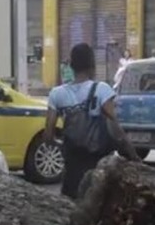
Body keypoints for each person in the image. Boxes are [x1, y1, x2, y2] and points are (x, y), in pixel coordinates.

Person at [44, 43, 139, 199]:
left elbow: (48, 137)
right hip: (99, 165)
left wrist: (67, 146)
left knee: (71, 207)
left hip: (72, 169)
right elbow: (116, 131)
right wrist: (133, 156)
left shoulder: (57, 94)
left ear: (72, 65)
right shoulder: (102, 89)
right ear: (92, 65)